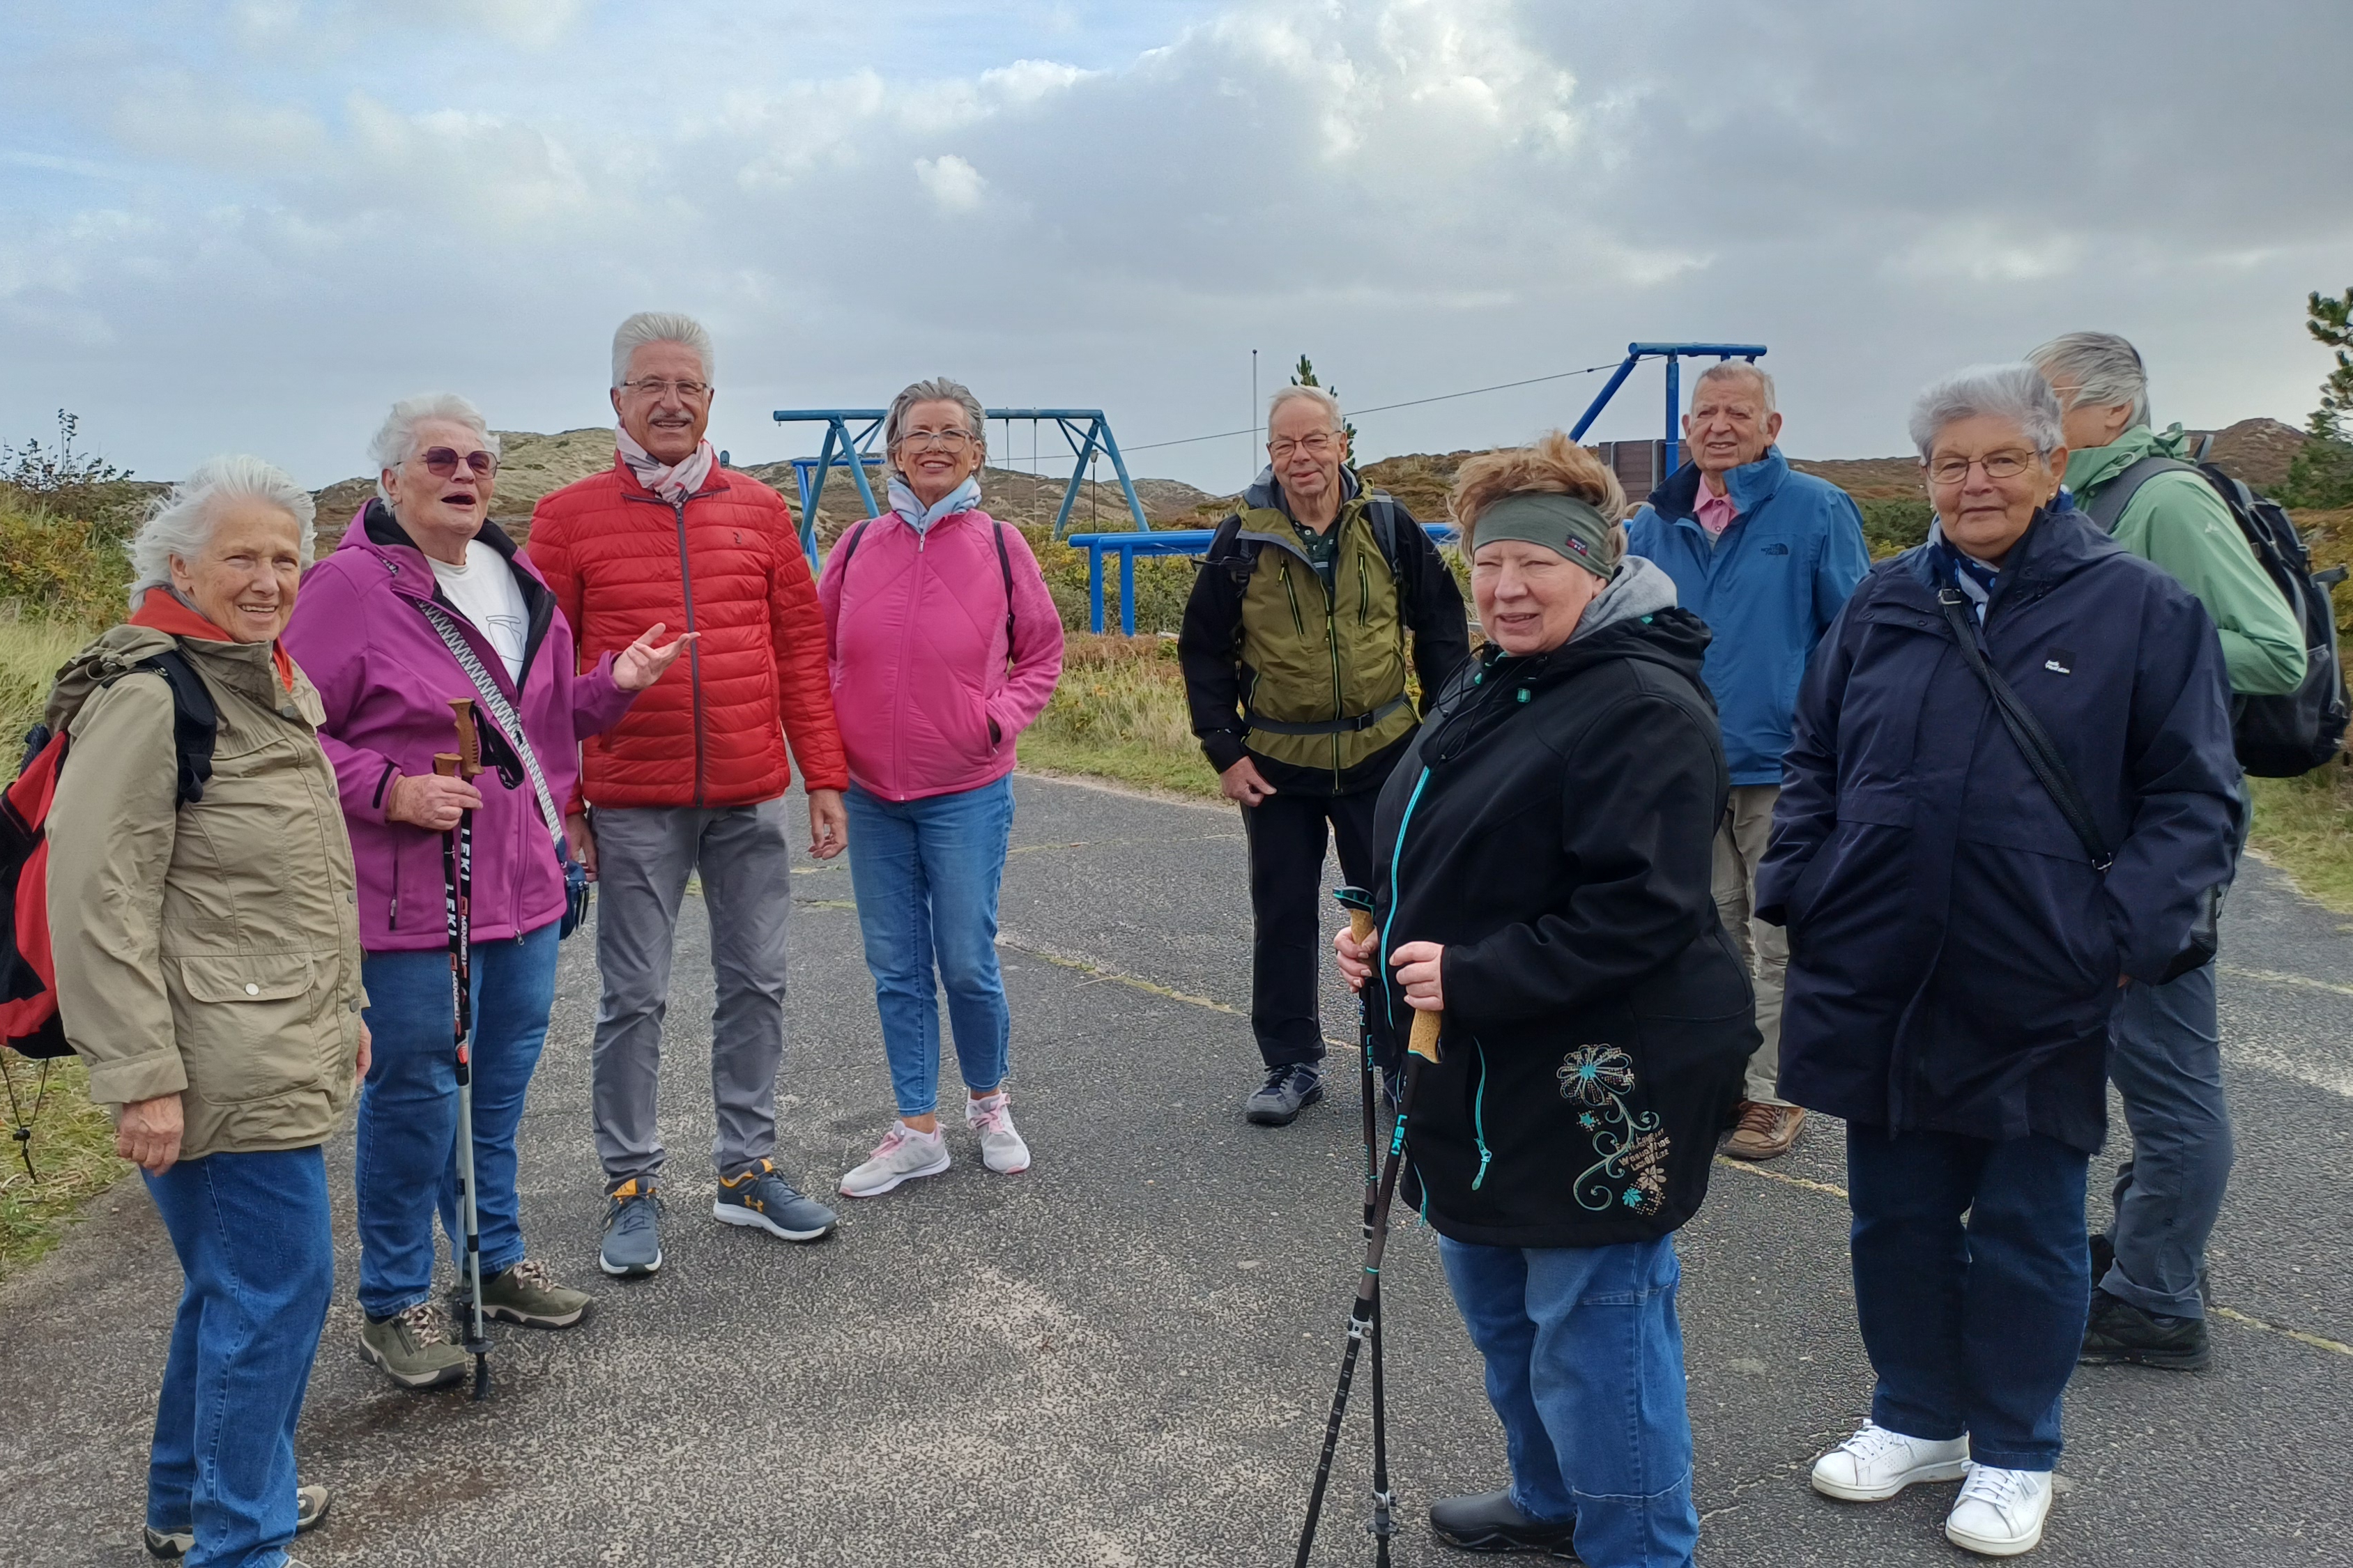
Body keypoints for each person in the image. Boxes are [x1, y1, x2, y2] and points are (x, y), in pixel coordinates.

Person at [1764, 365, 2240, 1558]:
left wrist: (2115, 938)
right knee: (1893, 1215)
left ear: (2051, 467)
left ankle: (2016, 1448)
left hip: (2037, 975)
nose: (1973, 483)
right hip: (1879, 963)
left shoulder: (2139, 609)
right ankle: (1915, 1416)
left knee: (2026, 1222)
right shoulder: (1881, 604)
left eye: (2000, 460)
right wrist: (1801, 884)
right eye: (1949, 464)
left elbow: (2195, 802)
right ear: (1925, 479)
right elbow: (1814, 751)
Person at [1333, 433, 1752, 1568]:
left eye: (1537, 567)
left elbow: (1645, 909)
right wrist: (1381, 926)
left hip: (1602, 1075)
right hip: (1475, 1069)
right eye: (1487, 565)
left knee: (1595, 1332)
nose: (1507, 590)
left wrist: (1472, 973)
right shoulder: (1499, 678)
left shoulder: (1641, 707)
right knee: (1504, 1309)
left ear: (1598, 566)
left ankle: (1639, 1545)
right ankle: (1554, 1498)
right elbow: (1444, 837)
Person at [283, 394, 688, 1389]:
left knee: (496, 1093)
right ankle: (392, 1300)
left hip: (526, 891)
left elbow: (537, 725)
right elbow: (287, 734)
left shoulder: (518, 577)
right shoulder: (345, 589)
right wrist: (387, 787)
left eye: (478, 461)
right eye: (438, 459)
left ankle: (492, 1263)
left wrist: (614, 685)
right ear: (390, 480)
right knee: (416, 1094)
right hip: (414, 900)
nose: (463, 475)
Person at [48, 457, 365, 1567]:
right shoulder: (154, 698)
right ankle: (242, 1542)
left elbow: (298, 879)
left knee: (236, 1285)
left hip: (270, 1031)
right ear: (179, 565)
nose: (269, 576)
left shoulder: (262, 681)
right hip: (213, 1057)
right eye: (241, 555)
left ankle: (189, 1504)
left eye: (285, 556)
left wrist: (350, 1005)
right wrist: (140, 1074)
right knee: (276, 1293)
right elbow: (96, 898)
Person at [528, 311, 851, 1277]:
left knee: (758, 983)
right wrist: (566, 803)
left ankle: (746, 1169)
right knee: (633, 996)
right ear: (617, 400)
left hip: (750, 792)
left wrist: (824, 776)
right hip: (631, 797)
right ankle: (630, 1183)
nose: (671, 401)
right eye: (650, 384)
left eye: (690, 386)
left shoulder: (757, 510)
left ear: (711, 399)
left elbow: (801, 648)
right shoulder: (567, 518)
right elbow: (542, 677)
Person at [2028, 331, 2306, 1371]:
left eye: (2048, 404)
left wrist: (2106, 651)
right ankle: (2151, 1254)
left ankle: (2155, 1297)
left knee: (2170, 1073)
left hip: (2159, 840)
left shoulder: (2164, 500)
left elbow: (2272, 649)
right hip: (2098, 833)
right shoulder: (2093, 502)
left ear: (2110, 411)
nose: (2034, 424)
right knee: (2132, 1054)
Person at [1180, 385, 1469, 1127]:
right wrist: (1222, 750)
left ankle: (1400, 1059)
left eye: (1315, 441)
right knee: (1281, 913)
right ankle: (1290, 1064)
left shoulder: (1388, 525)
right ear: (1270, 453)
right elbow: (1203, 650)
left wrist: (1444, 735)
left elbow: (1440, 629)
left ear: (1342, 444)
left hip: (1386, 756)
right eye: (1285, 445)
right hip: (1276, 763)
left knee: (1396, 911)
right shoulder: (1240, 538)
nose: (1301, 458)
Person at [815, 378, 1065, 1197]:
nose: (934, 445)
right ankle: (915, 1127)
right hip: (871, 794)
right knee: (895, 966)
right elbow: (813, 656)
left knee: (964, 960)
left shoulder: (1001, 545)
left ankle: (988, 1102)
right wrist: (827, 760)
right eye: (918, 433)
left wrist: (994, 721)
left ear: (976, 452)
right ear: (892, 452)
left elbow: (1042, 657)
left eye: (951, 433)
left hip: (965, 788)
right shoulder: (855, 547)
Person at [1625, 362, 1869, 1161]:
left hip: (1785, 764)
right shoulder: (1651, 524)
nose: (1719, 426)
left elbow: (1857, 640)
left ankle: (1773, 1093)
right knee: (1708, 928)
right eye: (1705, 413)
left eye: (1738, 412)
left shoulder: (1816, 511)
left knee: (1781, 933)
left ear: (1773, 427)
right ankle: (1723, 1077)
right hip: (1684, 765)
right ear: (1686, 429)